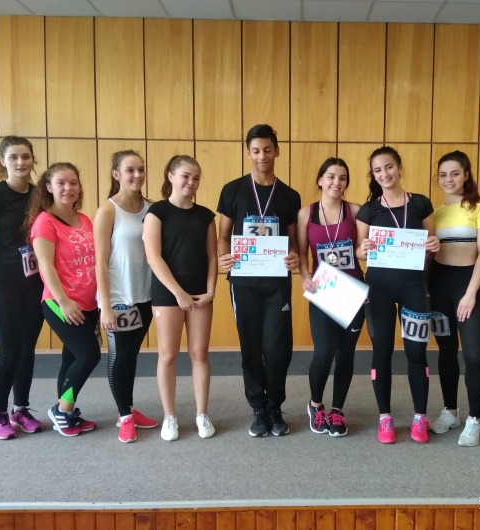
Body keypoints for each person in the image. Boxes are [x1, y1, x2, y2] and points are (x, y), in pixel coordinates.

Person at [217, 124, 301, 437]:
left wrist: (294, 256)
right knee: (251, 346)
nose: (262, 156)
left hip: (277, 283)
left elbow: (293, 241)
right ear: (248, 153)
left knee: (277, 348)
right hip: (244, 282)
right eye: (256, 150)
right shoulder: (232, 190)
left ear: (277, 150)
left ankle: (275, 406)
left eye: (267, 149)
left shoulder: (290, 195)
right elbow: (223, 236)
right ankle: (258, 408)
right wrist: (224, 256)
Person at [355, 146, 440, 444]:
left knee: (416, 353)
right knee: (382, 352)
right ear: (373, 174)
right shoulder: (368, 210)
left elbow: (431, 245)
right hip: (378, 289)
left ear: (399, 167)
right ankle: (385, 418)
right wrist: (362, 249)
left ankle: (420, 417)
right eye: (378, 170)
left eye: (389, 167)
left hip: (414, 288)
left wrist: (433, 246)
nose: (384, 174)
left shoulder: (420, 203)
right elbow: (359, 252)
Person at [0, 136, 44, 440]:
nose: (20, 162)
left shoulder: (40, 195)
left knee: (27, 350)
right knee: (10, 352)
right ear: (3, 161)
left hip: (34, 284)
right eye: (13, 157)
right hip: (2, 284)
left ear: (32, 159)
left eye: (25, 156)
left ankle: (21, 409)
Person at [143, 155, 217, 442]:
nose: (191, 182)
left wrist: (210, 291)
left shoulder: (206, 216)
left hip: (200, 296)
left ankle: (202, 414)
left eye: (196, 178)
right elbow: (154, 257)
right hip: (168, 294)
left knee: (199, 353)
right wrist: (178, 293)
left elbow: (212, 257)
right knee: (168, 355)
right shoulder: (157, 212)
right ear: (171, 176)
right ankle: (170, 416)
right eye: (185, 176)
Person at [428, 151, 480, 447]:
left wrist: (470, 294)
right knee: (445, 351)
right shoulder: (436, 213)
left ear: (466, 175)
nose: (449, 179)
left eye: (455, 173)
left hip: (469, 286)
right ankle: (450, 411)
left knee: (473, 355)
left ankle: (474, 419)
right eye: (443, 175)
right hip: (439, 285)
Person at [27, 162, 99, 437]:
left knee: (71, 357)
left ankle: (66, 413)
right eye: (61, 183)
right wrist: (64, 301)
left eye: (73, 183)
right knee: (88, 355)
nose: (68, 188)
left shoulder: (85, 220)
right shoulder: (45, 221)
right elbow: (45, 267)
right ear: (49, 187)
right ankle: (61, 410)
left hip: (89, 303)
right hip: (60, 304)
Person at [298, 158, 364, 437]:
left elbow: (361, 250)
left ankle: (337, 410)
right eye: (331, 176)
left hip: (352, 290)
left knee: (345, 355)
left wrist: (367, 250)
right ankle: (316, 405)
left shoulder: (356, 211)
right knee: (323, 352)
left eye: (343, 178)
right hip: (323, 291)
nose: (337, 182)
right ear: (320, 180)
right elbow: (302, 253)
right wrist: (304, 276)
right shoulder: (306, 213)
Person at [94, 150, 157, 444]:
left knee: (132, 354)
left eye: (140, 169)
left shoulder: (152, 209)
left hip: (145, 295)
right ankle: (124, 416)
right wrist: (105, 305)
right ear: (116, 174)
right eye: (130, 170)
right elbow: (100, 262)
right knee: (119, 356)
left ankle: (128, 408)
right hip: (119, 297)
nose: (137, 175)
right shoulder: (108, 211)